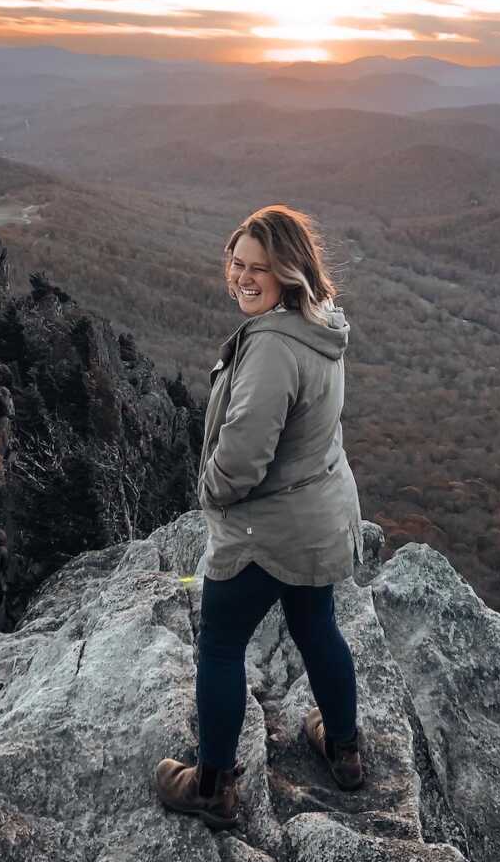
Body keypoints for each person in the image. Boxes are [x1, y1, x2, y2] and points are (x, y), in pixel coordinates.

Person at [156, 204, 365, 830]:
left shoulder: (273, 347)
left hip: (264, 531)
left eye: (258, 269)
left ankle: (212, 785)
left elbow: (243, 457)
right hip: (318, 517)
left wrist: (210, 494)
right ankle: (345, 751)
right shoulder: (318, 322)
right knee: (316, 626)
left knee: (220, 644)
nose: (242, 278)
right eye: (236, 264)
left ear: (289, 272)